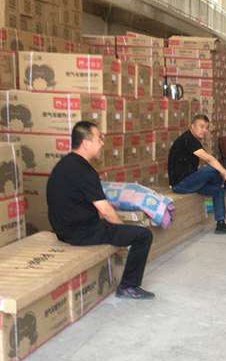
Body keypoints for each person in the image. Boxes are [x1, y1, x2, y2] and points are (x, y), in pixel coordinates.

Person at [47, 121, 154, 300]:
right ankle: (128, 286)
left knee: (116, 227)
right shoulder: (84, 170)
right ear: (86, 143)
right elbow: (105, 211)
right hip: (82, 233)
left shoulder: (64, 164)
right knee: (143, 235)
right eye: (99, 139)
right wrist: (123, 233)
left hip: (63, 230)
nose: (102, 143)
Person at [168, 114, 226, 234]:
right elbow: (208, 159)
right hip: (180, 184)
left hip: (191, 181)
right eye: (201, 126)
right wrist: (225, 174)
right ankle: (223, 184)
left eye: (206, 127)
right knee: (211, 170)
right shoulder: (188, 139)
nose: (204, 130)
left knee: (218, 190)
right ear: (192, 126)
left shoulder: (194, 140)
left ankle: (221, 224)